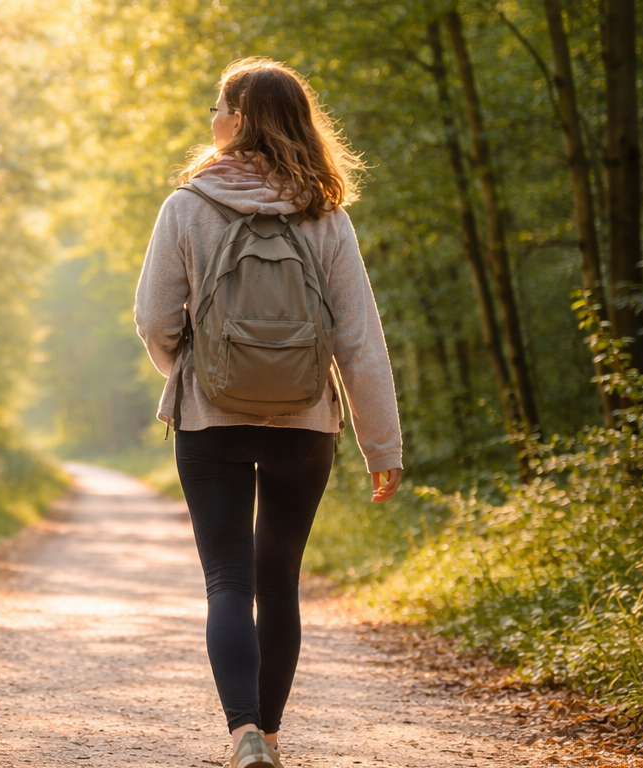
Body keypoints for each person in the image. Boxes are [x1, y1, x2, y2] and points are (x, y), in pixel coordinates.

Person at [133, 57, 404, 768]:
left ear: (241, 118)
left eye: (218, 106)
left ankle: (242, 731)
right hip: (305, 421)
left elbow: (155, 320)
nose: (211, 118)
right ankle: (273, 737)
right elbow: (360, 342)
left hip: (209, 418)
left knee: (226, 579)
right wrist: (383, 446)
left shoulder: (187, 205)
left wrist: (195, 375)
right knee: (277, 578)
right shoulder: (326, 214)